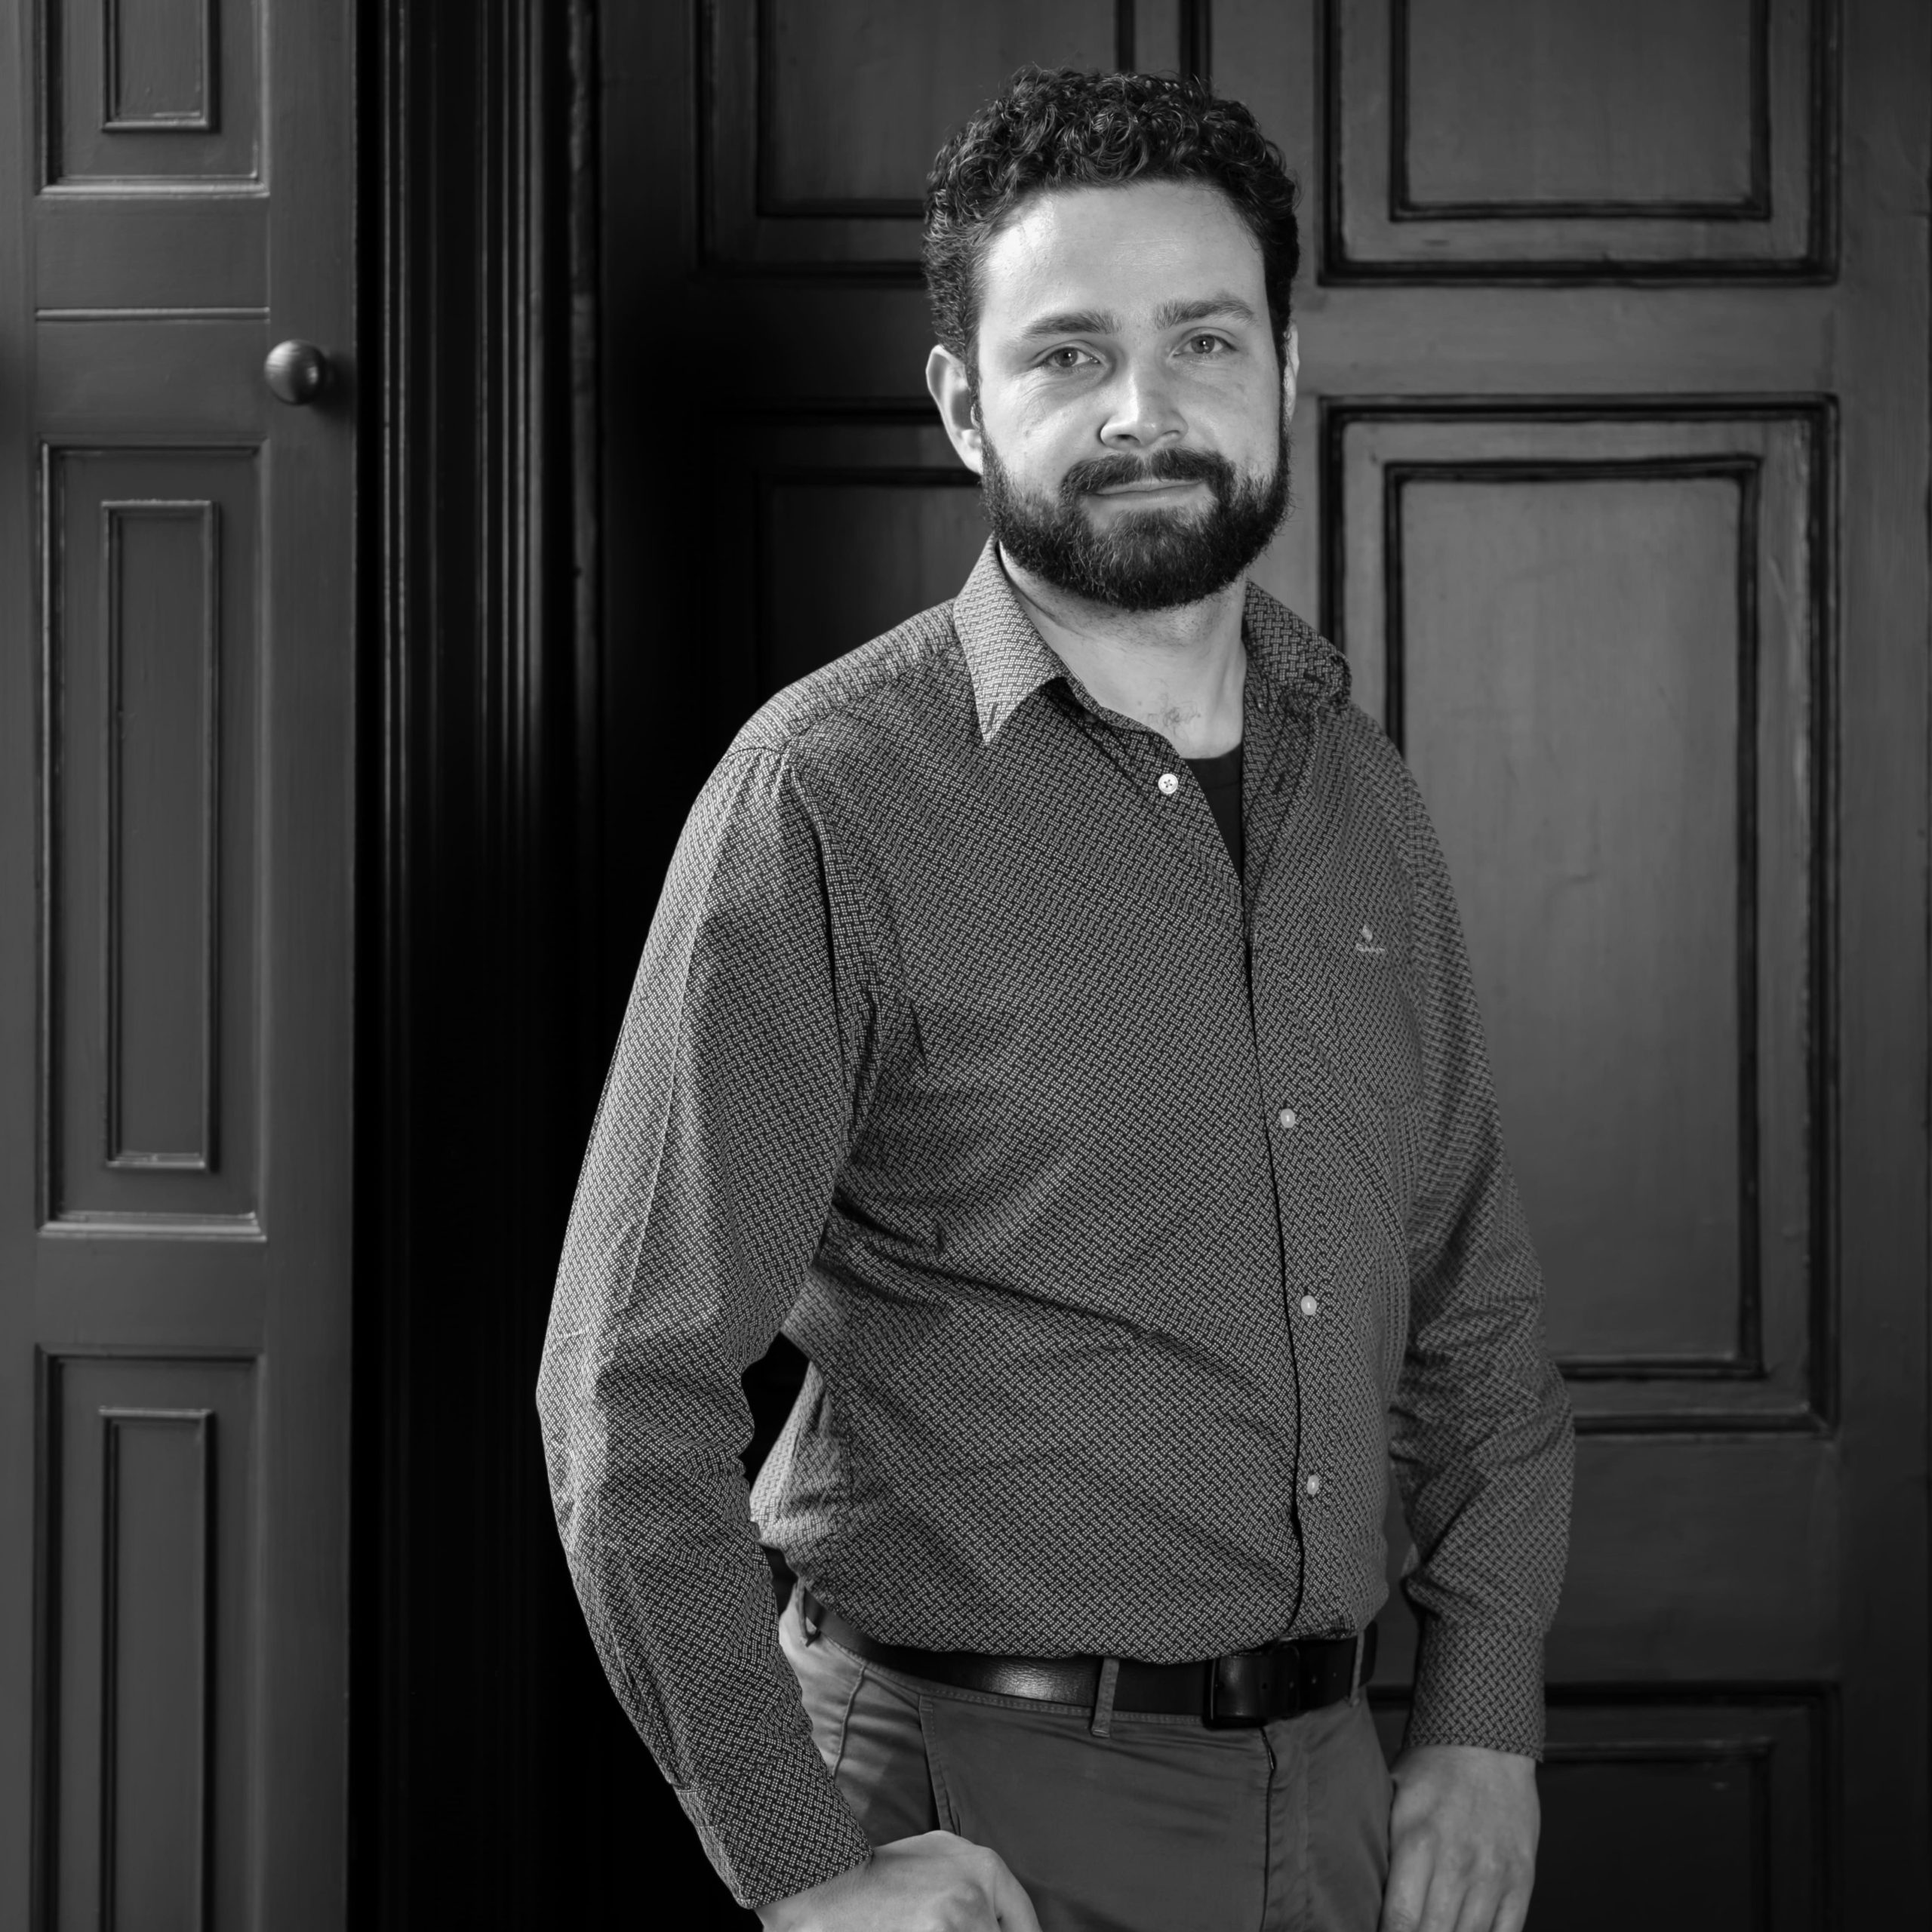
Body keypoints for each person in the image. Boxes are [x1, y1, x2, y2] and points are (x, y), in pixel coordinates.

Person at [537, 65, 1574, 1932]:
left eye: (1200, 340)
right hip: (962, 1807)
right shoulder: (826, 796)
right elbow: (628, 1386)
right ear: (964, 402)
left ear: (1280, 373)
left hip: (1339, 1793)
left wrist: (1482, 1712)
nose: (1140, 408)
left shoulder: (1362, 795)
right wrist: (801, 1864)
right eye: (1069, 352)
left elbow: (1470, 1308)